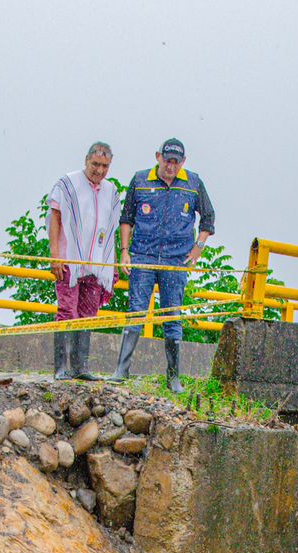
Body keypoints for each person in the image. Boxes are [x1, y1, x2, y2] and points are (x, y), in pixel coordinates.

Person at [111, 137, 216, 391]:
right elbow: (127, 218)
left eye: (175, 162)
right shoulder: (140, 180)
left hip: (175, 259)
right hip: (143, 255)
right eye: (167, 160)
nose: (171, 166)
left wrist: (197, 249)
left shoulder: (193, 182)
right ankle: (121, 369)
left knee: (172, 315)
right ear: (158, 156)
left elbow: (208, 219)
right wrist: (125, 252)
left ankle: (173, 377)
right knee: (136, 311)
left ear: (183, 162)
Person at [46, 142, 119, 380]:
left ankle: (81, 367)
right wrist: (55, 255)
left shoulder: (111, 191)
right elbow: (55, 218)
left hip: (96, 263)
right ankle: (61, 367)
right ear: (86, 160)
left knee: (89, 313)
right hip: (70, 259)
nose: (99, 170)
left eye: (104, 166)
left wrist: (113, 264)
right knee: (67, 310)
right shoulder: (68, 184)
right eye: (95, 164)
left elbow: (111, 230)